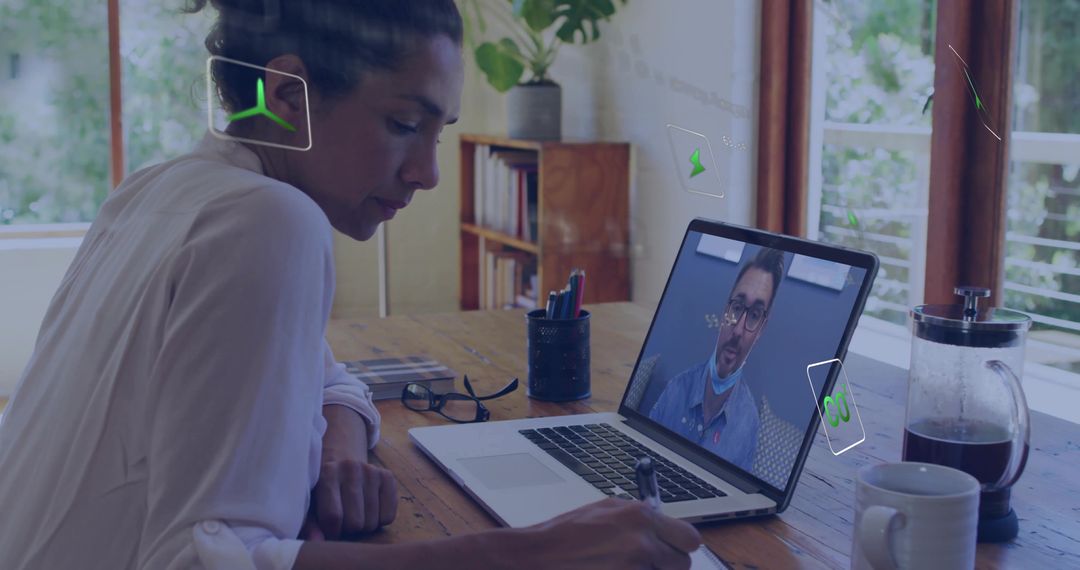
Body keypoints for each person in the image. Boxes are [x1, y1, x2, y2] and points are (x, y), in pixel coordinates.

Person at [0, 1, 700, 569]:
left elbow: (327, 373)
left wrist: (337, 449)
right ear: (284, 96)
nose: (427, 173)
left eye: (438, 132)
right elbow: (198, 561)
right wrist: (540, 550)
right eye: (402, 124)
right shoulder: (269, 221)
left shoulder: (161, 189)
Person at [648, 248, 786, 472]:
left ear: (761, 329)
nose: (739, 330)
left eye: (753, 315)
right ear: (725, 312)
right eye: (738, 307)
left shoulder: (748, 423)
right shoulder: (676, 389)